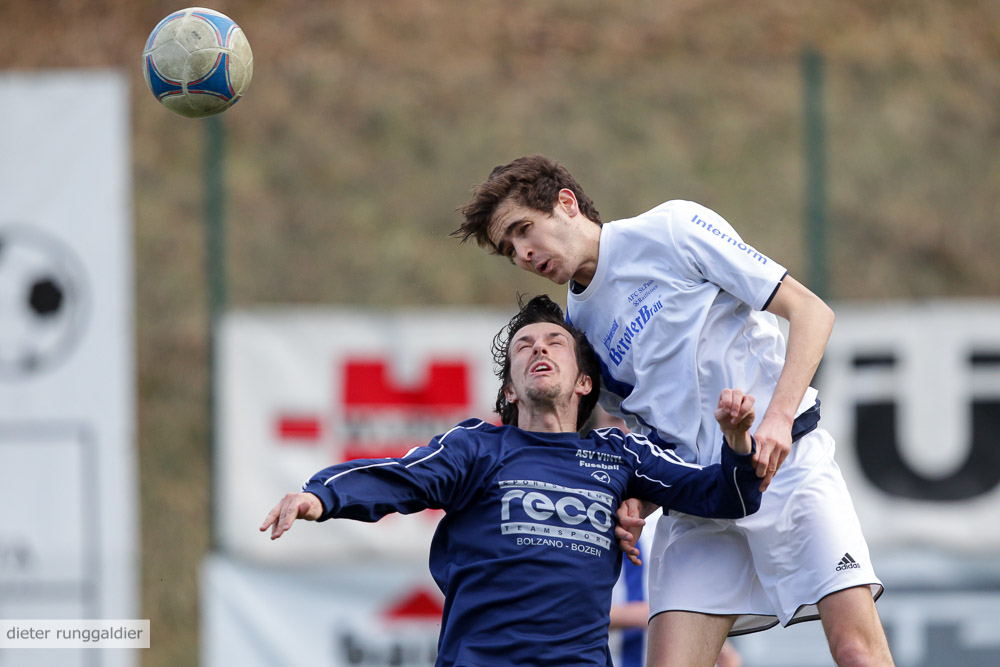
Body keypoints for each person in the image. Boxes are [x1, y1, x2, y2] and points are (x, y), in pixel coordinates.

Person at [453, 155, 894, 666]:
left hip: (787, 468)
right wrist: (640, 503)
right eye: (511, 250)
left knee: (857, 652)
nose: (525, 254)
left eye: (524, 230)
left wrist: (776, 419)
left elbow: (812, 312)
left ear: (566, 204)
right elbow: (649, 433)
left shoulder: (672, 228)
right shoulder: (576, 327)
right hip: (701, 499)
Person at [261, 294, 763, 667]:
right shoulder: (477, 448)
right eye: (524, 346)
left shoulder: (621, 455)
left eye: (554, 342)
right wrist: (320, 495)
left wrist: (738, 442)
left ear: (585, 382)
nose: (538, 349)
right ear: (509, 389)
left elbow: (726, 497)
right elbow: (400, 478)